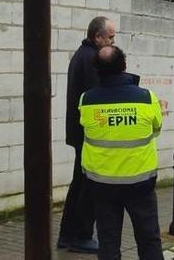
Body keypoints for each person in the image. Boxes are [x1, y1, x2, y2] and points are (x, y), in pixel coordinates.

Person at [79, 45, 165, 260]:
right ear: (124, 66)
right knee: (149, 239)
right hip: (140, 182)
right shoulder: (147, 98)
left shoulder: (86, 100)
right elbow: (156, 128)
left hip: (101, 184)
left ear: (97, 70)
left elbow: (85, 128)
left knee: (108, 242)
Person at [58, 16, 116, 253]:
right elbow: (98, 98)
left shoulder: (83, 55)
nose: (113, 41)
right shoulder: (91, 59)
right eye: (110, 37)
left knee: (80, 185)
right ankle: (79, 235)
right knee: (86, 188)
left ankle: (68, 235)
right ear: (97, 37)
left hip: (81, 133)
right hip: (88, 136)